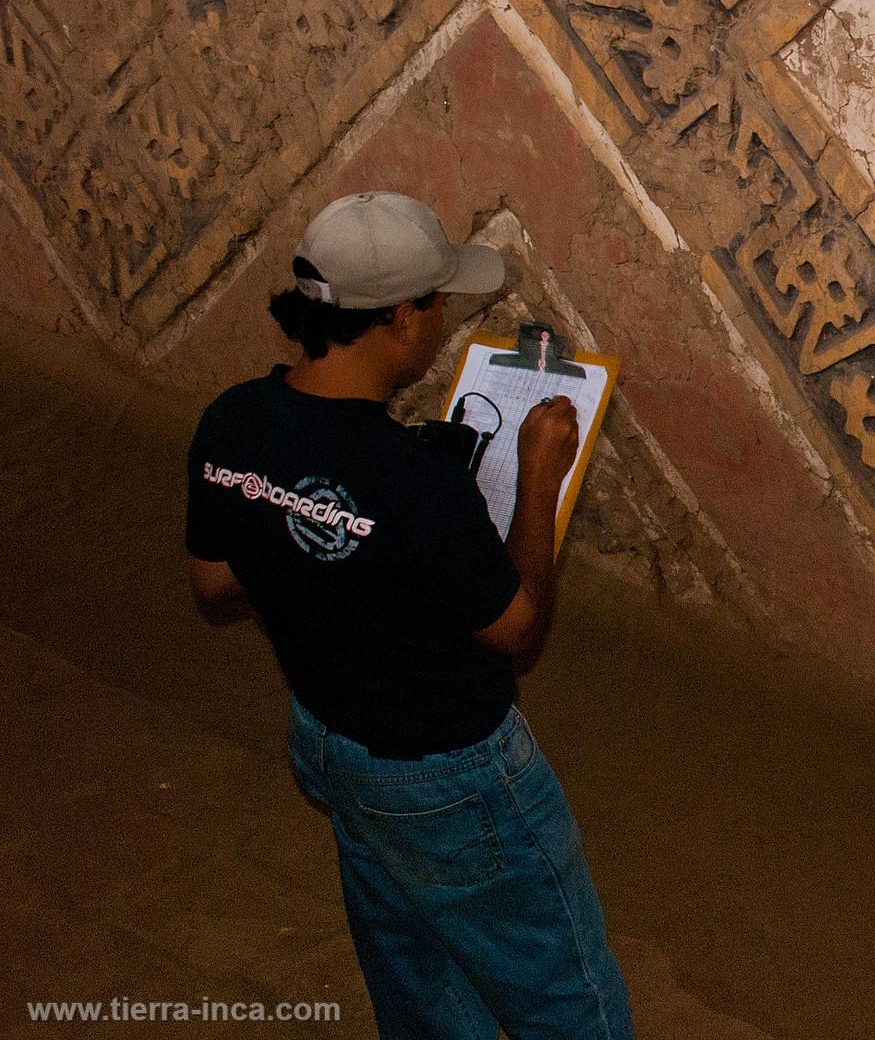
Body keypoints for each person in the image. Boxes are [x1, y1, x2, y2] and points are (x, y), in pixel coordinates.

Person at [183, 191, 633, 1039]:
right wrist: (537, 480)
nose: (440, 324)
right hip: (451, 777)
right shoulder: (415, 483)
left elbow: (213, 585)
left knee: (418, 980)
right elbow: (518, 629)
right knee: (565, 998)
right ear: (400, 318)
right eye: (439, 305)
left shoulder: (231, 421)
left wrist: (317, 551)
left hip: (331, 739)